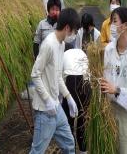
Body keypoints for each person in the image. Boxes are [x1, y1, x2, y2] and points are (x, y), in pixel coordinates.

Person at [30, 8, 81, 154]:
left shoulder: (61, 44)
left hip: (56, 106)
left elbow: (57, 75)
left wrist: (68, 97)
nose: (74, 35)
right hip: (45, 110)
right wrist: (47, 100)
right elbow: (35, 74)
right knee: (37, 151)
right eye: (74, 31)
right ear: (67, 28)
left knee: (69, 144)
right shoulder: (49, 45)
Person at [100, 7, 127, 154]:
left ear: (125, 25)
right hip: (110, 108)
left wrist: (117, 90)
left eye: (114, 21)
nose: (111, 26)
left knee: (124, 149)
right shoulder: (109, 50)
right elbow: (106, 77)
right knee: (109, 149)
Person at [62, 48, 91, 154]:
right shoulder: (81, 52)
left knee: (68, 121)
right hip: (86, 84)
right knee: (82, 121)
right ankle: (83, 151)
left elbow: (60, 80)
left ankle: (71, 150)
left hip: (71, 83)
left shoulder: (63, 54)